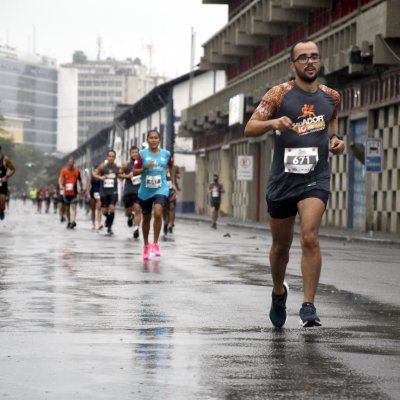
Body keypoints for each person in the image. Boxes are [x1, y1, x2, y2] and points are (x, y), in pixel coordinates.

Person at [244, 39, 345, 328]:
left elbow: (333, 122)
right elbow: (250, 127)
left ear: (320, 61)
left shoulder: (331, 96)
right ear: (293, 64)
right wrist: (273, 123)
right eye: (303, 58)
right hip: (283, 181)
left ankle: (308, 305)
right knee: (280, 247)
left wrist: (337, 140)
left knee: (310, 237)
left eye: (314, 57)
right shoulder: (279, 94)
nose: (310, 62)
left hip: (316, 177)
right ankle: (279, 292)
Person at [133, 129, 175, 260]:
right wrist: (145, 168)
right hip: (145, 190)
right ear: (147, 140)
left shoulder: (166, 154)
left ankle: (156, 243)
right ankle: (146, 245)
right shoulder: (142, 154)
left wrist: (171, 182)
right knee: (146, 219)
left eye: (156, 138)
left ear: (159, 140)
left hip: (160, 188)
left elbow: (171, 166)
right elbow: (134, 172)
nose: (153, 140)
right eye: (151, 138)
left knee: (157, 213)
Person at [93, 149, 120, 235]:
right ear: (107, 157)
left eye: (113, 156)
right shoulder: (102, 166)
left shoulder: (117, 167)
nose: (111, 158)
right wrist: (100, 178)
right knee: (104, 211)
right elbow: (94, 174)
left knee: (112, 208)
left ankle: (109, 227)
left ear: (115, 157)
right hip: (104, 191)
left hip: (113, 191)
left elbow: (121, 174)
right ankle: (108, 219)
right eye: (110, 156)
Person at [119, 146, 142, 239]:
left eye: (136, 152)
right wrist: (127, 176)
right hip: (128, 191)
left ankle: (136, 229)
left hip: (138, 191)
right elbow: (119, 175)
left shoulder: (142, 164)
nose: (135, 154)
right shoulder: (126, 164)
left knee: (137, 210)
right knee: (127, 211)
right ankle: (130, 216)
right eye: (133, 152)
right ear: (130, 154)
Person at [59, 157, 83, 229]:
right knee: (67, 208)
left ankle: (73, 221)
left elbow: (80, 180)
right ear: (68, 163)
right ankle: (68, 221)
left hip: (74, 192)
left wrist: (82, 188)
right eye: (70, 163)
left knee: (73, 207)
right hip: (66, 193)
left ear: (74, 163)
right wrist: (61, 185)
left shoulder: (77, 171)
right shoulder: (64, 171)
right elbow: (60, 179)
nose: (71, 164)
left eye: (72, 163)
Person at [0, 145, 16, 221]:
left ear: (1, 150)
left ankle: (2, 210)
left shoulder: (5, 160)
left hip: (2, 182)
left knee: (2, 200)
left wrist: (6, 176)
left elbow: (13, 169)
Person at [86, 165, 103, 230]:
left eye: (98, 170)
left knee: (99, 208)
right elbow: (88, 185)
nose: (97, 171)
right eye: (95, 170)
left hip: (99, 193)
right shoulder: (91, 176)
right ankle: (93, 224)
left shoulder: (101, 176)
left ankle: (99, 223)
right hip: (92, 193)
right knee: (93, 210)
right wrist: (88, 194)